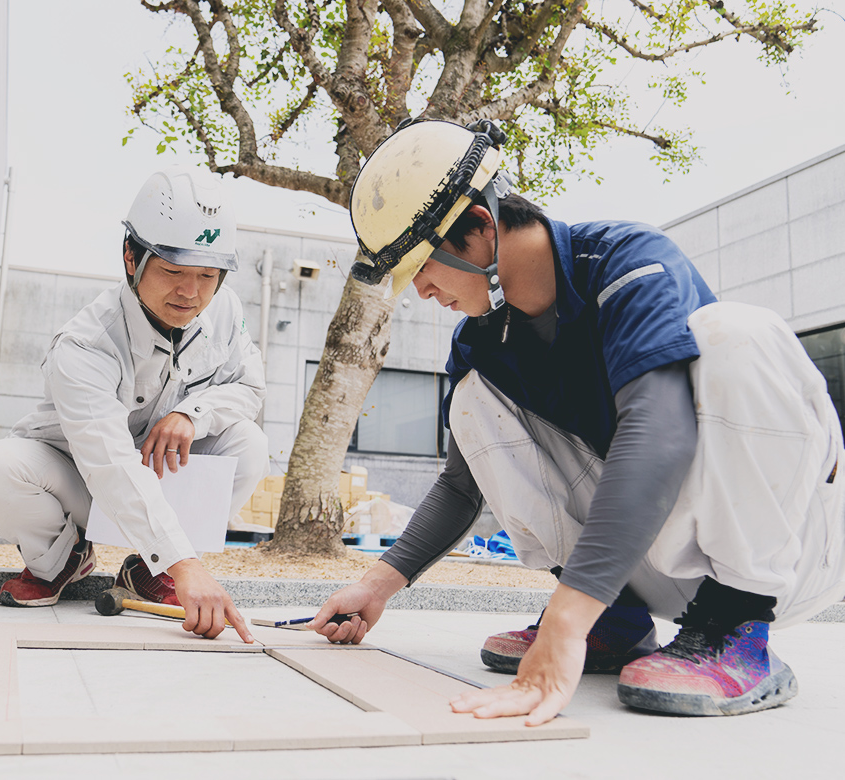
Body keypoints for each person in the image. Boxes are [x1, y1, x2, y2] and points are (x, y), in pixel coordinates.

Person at [310, 118, 845, 722]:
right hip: (656, 563)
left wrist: (564, 620)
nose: (421, 292)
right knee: (473, 397)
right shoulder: (481, 344)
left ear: (481, 228)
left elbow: (659, 434)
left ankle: (735, 628)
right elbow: (463, 486)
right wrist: (377, 584)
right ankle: (612, 616)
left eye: (422, 269)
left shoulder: (626, 263)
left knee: (735, 333)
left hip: (792, 550)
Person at [0, 167, 268, 643]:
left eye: (207, 275)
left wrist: (192, 414)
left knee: (248, 443)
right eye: (172, 271)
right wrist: (187, 565)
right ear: (131, 258)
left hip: (163, 474)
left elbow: (249, 389)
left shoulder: (224, 311)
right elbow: (109, 463)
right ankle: (63, 559)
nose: (191, 292)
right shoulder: (85, 344)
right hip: (82, 479)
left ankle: (148, 570)